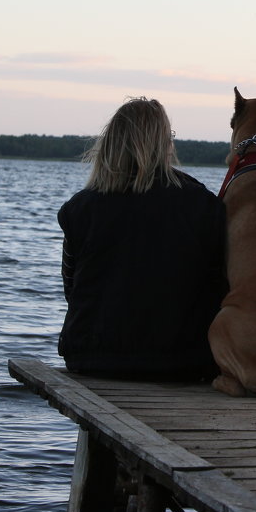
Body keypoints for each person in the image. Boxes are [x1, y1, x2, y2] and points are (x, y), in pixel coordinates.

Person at [57, 97, 227, 379]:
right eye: (170, 137)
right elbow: (221, 285)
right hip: (183, 361)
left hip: (91, 359)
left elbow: (71, 289)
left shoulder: (80, 208)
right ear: (163, 145)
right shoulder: (203, 206)